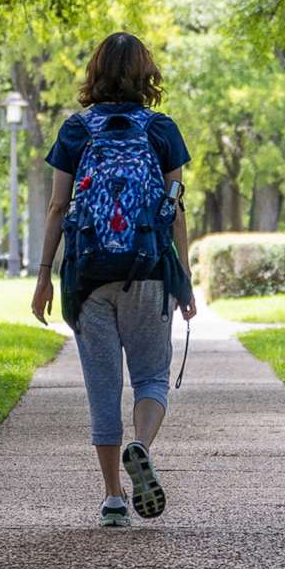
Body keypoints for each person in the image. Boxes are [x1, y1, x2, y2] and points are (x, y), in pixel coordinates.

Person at [30, 32, 198, 528]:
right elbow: (176, 212)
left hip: (88, 276)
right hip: (147, 270)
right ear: (146, 74)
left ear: (95, 73)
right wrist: (183, 281)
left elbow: (59, 207)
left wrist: (44, 277)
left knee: (102, 388)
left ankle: (112, 500)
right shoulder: (161, 129)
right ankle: (140, 446)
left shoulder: (76, 130)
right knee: (150, 377)